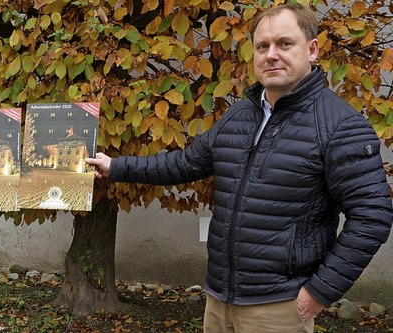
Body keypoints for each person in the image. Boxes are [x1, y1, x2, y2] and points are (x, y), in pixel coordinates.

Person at [86, 4, 392, 333]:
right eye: (263, 46)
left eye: (284, 44)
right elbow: (185, 162)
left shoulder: (340, 126)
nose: (271, 55)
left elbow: (371, 217)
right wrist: (115, 166)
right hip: (220, 299)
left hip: (279, 305)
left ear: (312, 49)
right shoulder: (240, 115)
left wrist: (318, 293)